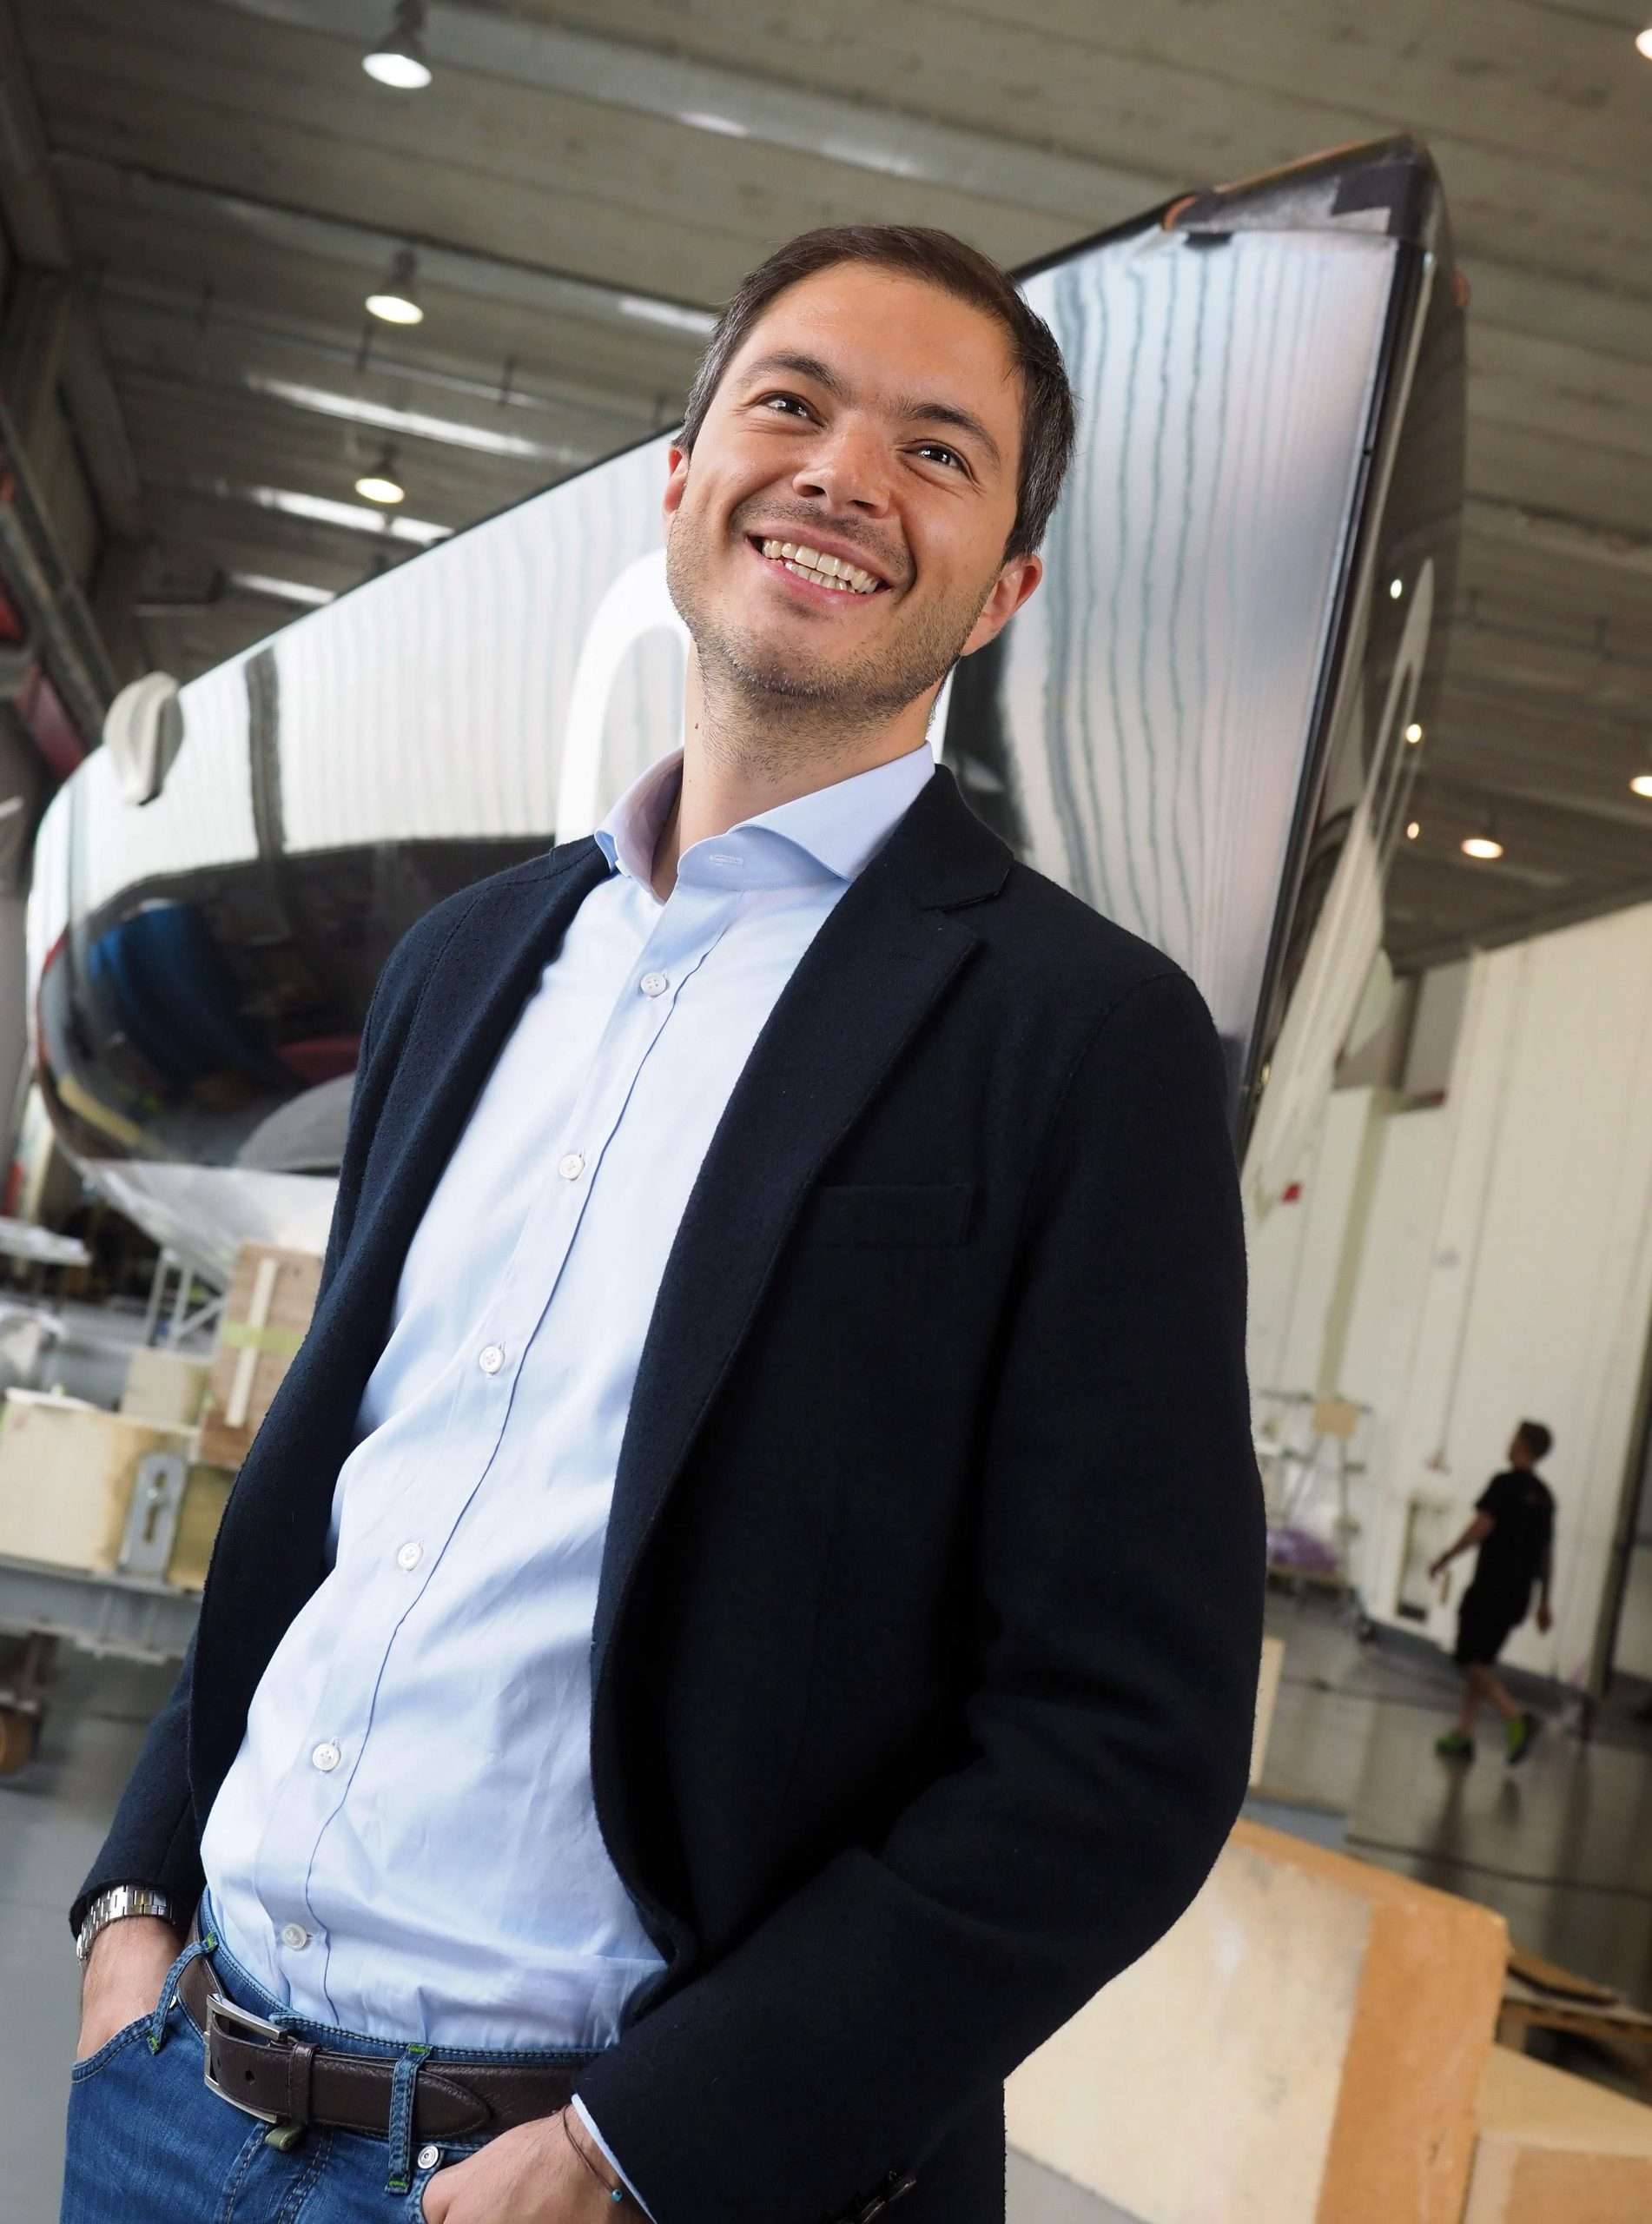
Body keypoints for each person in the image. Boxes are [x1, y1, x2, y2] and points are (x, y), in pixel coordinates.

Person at [62, 226, 1265, 2224]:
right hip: (182, 2101)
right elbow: (343, 1492)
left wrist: (644, 2146)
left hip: (585, 2170)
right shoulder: (466, 960)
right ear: (683, 477)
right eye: (792, 403)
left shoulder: (1078, 1035)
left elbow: (1124, 1736)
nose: (844, 473)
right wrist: (131, 1894)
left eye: (938, 451)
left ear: (1005, 588)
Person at [1430, 1421, 1556, 1766]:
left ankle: (1516, 1717)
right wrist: (1545, 1601)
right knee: (1481, 1661)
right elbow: (1546, 1553)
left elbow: (1480, 1528)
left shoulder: (1504, 1484)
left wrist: (1445, 1557)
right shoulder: (1545, 1496)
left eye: (1513, 1437)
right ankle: (1464, 1735)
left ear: (1523, 1445)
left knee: (1468, 1659)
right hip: (1519, 1595)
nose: (1508, 1442)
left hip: (1491, 1587)